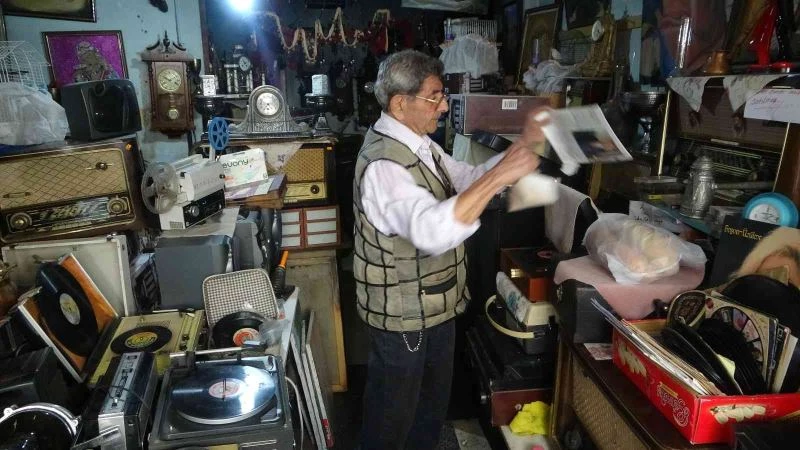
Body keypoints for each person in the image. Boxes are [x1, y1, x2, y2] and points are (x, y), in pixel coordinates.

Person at [352, 49, 547, 450]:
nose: (443, 107)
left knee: (429, 412)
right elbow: (431, 231)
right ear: (400, 104)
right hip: (403, 318)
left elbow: (466, 177)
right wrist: (499, 176)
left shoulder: (421, 146)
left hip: (436, 308)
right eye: (435, 97)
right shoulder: (385, 165)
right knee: (391, 421)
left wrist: (515, 155)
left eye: (443, 96)